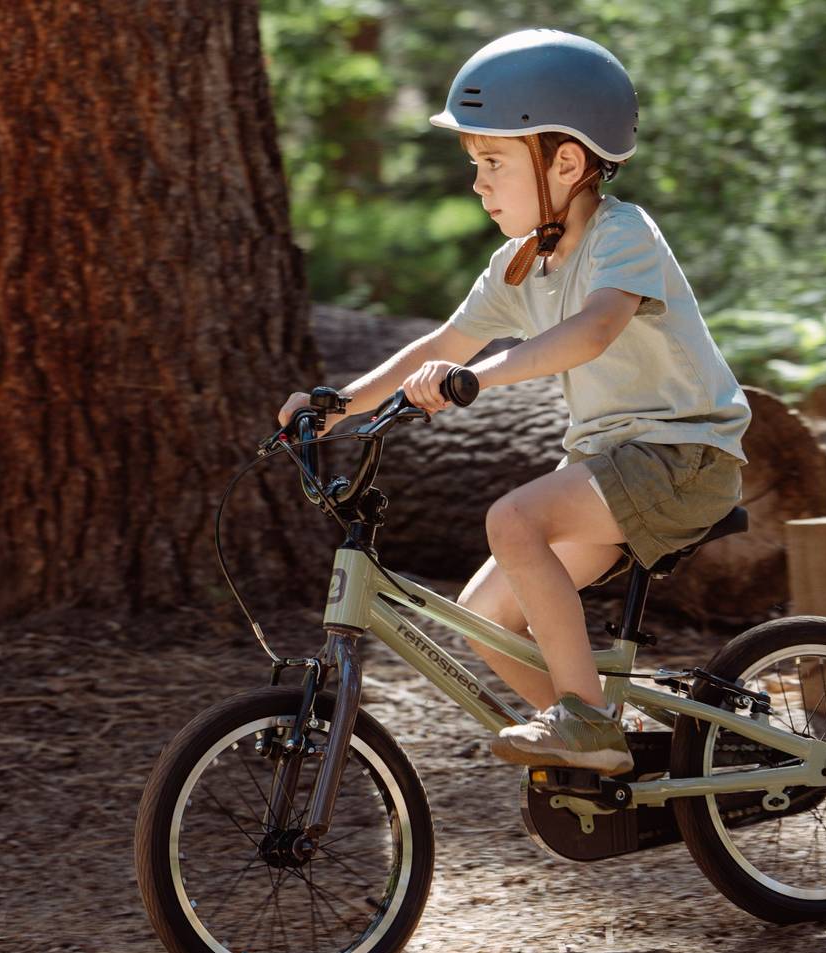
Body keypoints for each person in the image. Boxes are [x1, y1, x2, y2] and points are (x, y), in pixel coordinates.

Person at [278, 29, 751, 775]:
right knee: (483, 619)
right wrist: (335, 406)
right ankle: (599, 751)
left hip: (682, 455)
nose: (478, 183)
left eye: (493, 162)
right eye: (475, 164)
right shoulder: (518, 265)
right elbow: (441, 344)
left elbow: (593, 331)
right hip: (611, 464)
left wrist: (481, 380)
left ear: (566, 162)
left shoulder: (622, 234)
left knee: (514, 518)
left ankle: (586, 721)